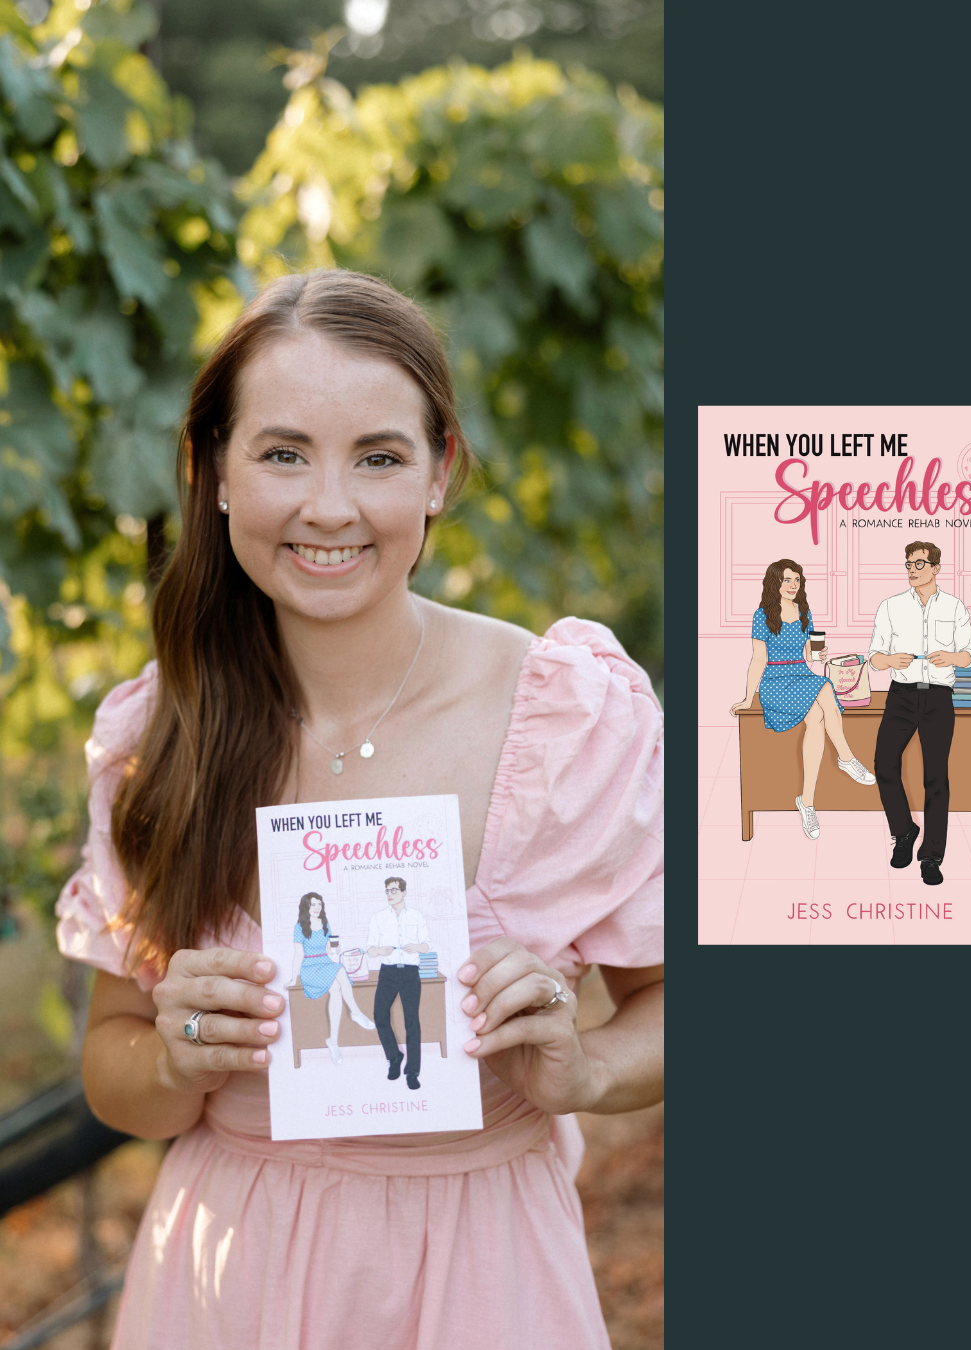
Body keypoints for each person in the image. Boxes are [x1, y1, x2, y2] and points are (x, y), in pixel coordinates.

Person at [56, 269, 663, 1350]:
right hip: (227, 1274)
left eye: (378, 456)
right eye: (283, 452)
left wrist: (591, 1068)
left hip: (484, 1276)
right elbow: (113, 1066)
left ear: (439, 474)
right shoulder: (161, 734)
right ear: (215, 476)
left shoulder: (567, 714)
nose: (328, 505)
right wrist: (175, 1053)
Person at [730, 558, 876, 840]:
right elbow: (759, 659)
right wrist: (749, 698)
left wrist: (818, 654)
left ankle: (807, 802)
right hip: (776, 680)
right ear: (775, 583)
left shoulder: (804, 612)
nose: (793, 585)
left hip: (801, 673)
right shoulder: (762, 616)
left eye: (796, 580)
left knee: (818, 717)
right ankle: (846, 758)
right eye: (787, 580)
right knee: (823, 693)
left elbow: (809, 653)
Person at [868, 541, 971, 885]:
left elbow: (969, 654)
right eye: (909, 564)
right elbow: (874, 655)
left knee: (936, 779)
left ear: (935, 568)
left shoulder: (956, 607)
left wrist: (952, 657)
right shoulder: (890, 606)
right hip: (900, 695)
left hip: (939, 699)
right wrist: (888, 661)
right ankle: (904, 831)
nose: (912, 569)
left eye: (919, 563)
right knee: (884, 764)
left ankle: (931, 856)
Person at [289, 891, 376, 1064]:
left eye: (319, 904)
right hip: (310, 967)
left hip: (326, 962)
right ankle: (356, 1013)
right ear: (306, 906)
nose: (316, 907)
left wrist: (336, 948)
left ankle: (333, 1042)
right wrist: (293, 978)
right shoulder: (300, 927)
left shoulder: (325, 923)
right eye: (313, 904)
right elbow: (298, 954)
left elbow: (329, 950)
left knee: (338, 980)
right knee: (339, 977)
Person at [367, 876, 428, 1087]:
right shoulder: (378, 918)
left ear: (403, 892)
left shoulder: (417, 916)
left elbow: (427, 945)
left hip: (411, 972)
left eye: (394, 890)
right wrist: (379, 951)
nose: (390, 894)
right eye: (387, 891)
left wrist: (417, 947)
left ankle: (412, 1072)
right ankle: (394, 1056)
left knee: (412, 1021)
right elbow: (370, 949)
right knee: (379, 1015)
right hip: (388, 972)